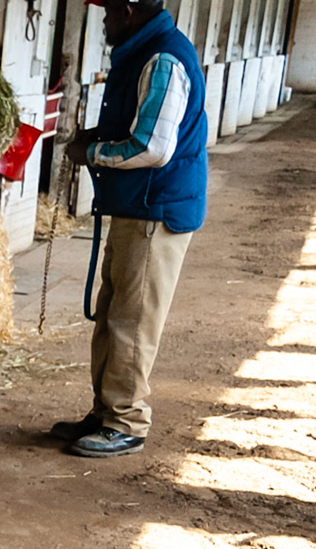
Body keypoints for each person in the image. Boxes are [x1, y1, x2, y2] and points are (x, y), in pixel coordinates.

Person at [52, 0, 208, 458]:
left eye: (108, 11)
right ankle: (106, 411)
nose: (103, 20)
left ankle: (127, 421)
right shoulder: (145, 52)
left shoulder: (162, 57)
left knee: (132, 321)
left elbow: (153, 147)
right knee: (113, 313)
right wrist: (97, 134)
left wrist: (93, 152)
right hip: (138, 206)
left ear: (129, 10)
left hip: (154, 209)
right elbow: (140, 123)